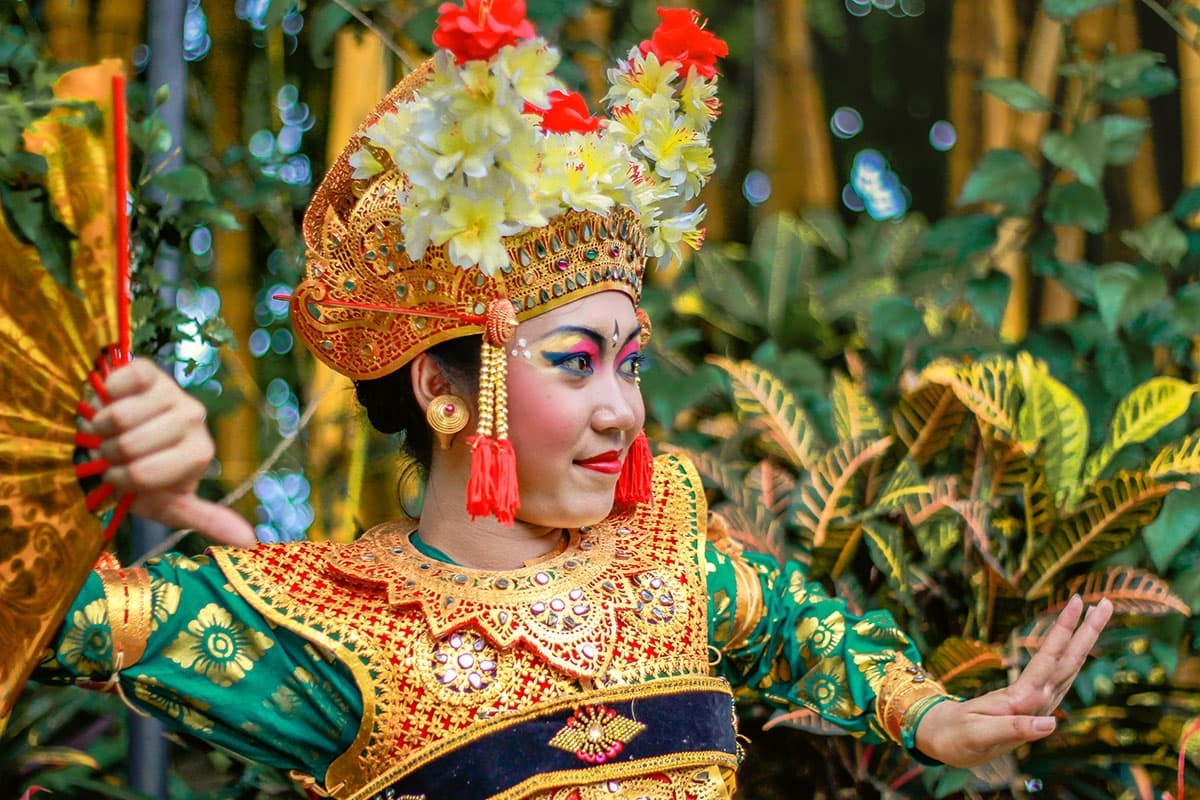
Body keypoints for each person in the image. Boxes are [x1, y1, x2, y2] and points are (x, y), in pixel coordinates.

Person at [30, 3, 1113, 798]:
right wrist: (105, 476)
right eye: (575, 362)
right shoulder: (331, 623)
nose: (624, 409)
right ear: (444, 391)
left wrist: (938, 717)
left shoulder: (671, 556)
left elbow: (817, 633)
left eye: (631, 363)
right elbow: (42, 622)